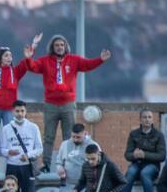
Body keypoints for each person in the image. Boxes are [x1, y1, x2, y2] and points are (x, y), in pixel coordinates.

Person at [24, 34, 111, 166]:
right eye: (57, 45)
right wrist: (29, 57)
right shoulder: (45, 61)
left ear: (65, 46)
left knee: (69, 137)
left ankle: (67, 163)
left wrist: (101, 59)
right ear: (52, 48)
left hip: (68, 104)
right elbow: (32, 67)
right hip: (50, 104)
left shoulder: (74, 60)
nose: (60, 47)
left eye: (62, 45)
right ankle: (46, 165)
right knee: (48, 137)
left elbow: (88, 65)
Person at [0, 100, 42, 192]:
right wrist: (9, 152)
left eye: (22, 111)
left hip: (27, 167)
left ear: (25, 111)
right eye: (17, 111)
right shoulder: (6, 128)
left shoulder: (33, 127)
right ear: (12, 112)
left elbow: (39, 149)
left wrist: (28, 155)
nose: (20, 114)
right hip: (12, 167)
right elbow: (1, 150)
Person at [117, 109, 167, 192]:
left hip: (152, 166)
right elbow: (127, 155)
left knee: (145, 173)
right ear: (140, 120)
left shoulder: (158, 135)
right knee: (130, 173)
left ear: (152, 120)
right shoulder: (133, 134)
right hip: (136, 164)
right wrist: (134, 155)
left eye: (149, 117)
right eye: (144, 117)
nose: (147, 120)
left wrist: (145, 155)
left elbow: (162, 156)